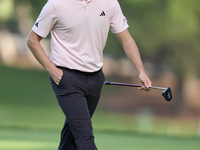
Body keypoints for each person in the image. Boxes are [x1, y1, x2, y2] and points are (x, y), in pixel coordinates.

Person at [27, 0, 152, 149]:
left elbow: (126, 40)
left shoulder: (110, 3)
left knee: (71, 139)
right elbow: (32, 40)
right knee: (85, 137)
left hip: (95, 79)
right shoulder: (56, 4)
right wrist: (52, 70)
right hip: (66, 79)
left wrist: (141, 72)